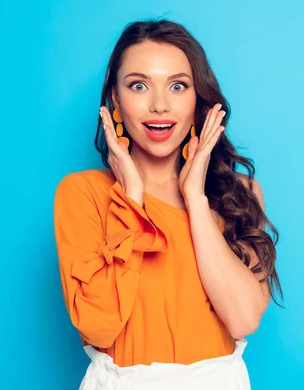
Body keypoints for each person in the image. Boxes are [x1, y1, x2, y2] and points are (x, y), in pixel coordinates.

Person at [53, 19, 283, 390]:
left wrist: (194, 196)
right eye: (139, 85)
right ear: (115, 98)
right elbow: (99, 326)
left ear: (198, 100)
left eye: (177, 86)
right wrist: (130, 201)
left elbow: (242, 320)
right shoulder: (84, 194)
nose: (159, 105)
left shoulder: (239, 194)